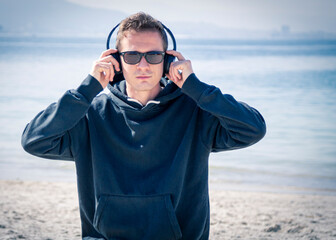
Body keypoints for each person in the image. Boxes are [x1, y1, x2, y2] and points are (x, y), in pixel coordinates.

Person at [21, 12, 266, 240]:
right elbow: (34, 140)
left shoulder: (196, 112)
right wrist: (87, 89)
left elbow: (253, 129)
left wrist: (196, 87)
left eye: (153, 55)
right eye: (132, 55)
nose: (143, 65)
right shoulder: (90, 115)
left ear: (168, 59)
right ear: (116, 61)